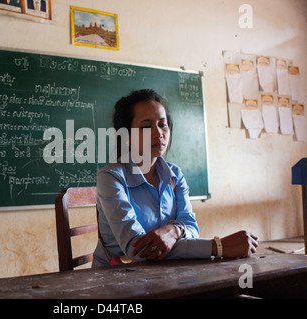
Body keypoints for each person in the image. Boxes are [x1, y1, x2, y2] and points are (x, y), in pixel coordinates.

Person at [92, 89, 258, 267]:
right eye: (146, 126)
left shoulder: (174, 174)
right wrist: (218, 247)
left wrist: (173, 230)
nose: (158, 133)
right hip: (115, 280)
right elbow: (136, 250)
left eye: (163, 125)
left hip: (164, 273)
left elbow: (192, 228)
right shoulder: (110, 178)